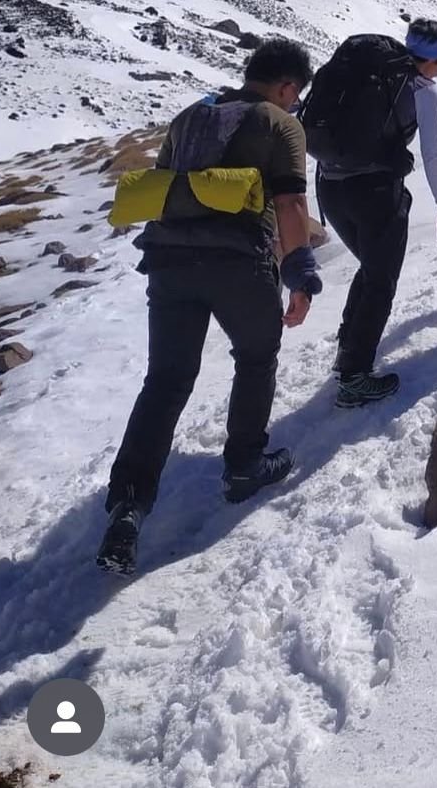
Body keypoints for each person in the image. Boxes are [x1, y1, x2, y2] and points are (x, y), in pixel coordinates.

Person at [97, 38, 321, 576]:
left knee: (167, 380)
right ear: (287, 86)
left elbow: (163, 187)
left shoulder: (189, 116)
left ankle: (128, 505)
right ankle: (244, 466)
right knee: (257, 352)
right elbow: (289, 202)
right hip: (237, 261)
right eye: (296, 94)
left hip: (168, 260)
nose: (295, 103)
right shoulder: (280, 123)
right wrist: (301, 274)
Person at [316, 18, 437, 408]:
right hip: (376, 193)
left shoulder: (370, 74)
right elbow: (433, 154)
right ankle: (354, 376)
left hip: (330, 186)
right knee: (381, 280)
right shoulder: (423, 91)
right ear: (430, 59)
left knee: (371, 267)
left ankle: (349, 346)